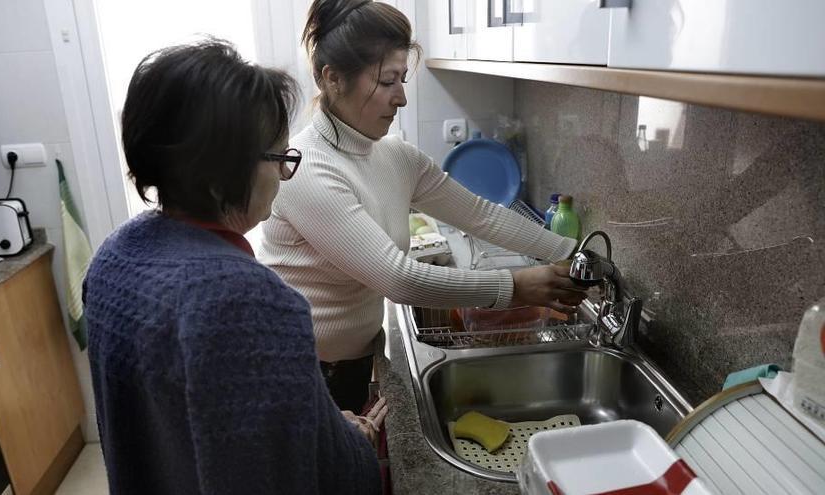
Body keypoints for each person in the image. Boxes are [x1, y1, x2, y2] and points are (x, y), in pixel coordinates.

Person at [83, 39, 383, 494]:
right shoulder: (247, 299)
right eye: (280, 159)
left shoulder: (114, 257)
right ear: (221, 171)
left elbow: (188, 418)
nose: (283, 177)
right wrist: (353, 440)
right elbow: (315, 476)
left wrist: (317, 423)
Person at [259, 0, 588, 414]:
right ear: (333, 79)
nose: (401, 99)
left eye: (402, 80)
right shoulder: (308, 168)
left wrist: (569, 253)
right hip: (302, 372)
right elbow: (398, 279)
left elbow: (481, 215)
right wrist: (516, 286)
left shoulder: (395, 157)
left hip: (353, 361)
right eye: (386, 82)